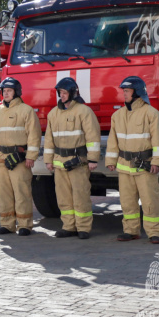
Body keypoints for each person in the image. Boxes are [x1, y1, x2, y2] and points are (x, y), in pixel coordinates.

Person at [106, 76, 159, 244]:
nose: (124, 94)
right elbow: (113, 141)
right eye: (123, 91)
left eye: (127, 91)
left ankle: (155, 232)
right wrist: (111, 160)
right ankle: (131, 231)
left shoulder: (152, 114)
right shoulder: (117, 115)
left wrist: (157, 162)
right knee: (127, 202)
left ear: (137, 92)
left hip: (145, 166)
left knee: (150, 201)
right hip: (124, 167)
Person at [43, 78, 101, 239]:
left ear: (73, 93)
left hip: (78, 163)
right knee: (63, 198)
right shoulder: (53, 113)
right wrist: (48, 160)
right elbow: (49, 139)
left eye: (64, 92)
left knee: (80, 196)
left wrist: (93, 159)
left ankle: (83, 228)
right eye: (60, 93)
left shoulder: (84, 111)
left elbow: (92, 137)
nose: (61, 96)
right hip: (59, 163)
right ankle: (69, 226)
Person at [0, 77, 41, 236]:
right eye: (4, 91)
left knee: (22, 193)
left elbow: (34, 136)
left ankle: (25, 225)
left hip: (20, 160)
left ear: (17, 92)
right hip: (0, 160)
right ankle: (7, 224)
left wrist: (31, 156)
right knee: (3, 195)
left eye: (9, 91)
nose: (6, 93)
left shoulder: (26, 110)